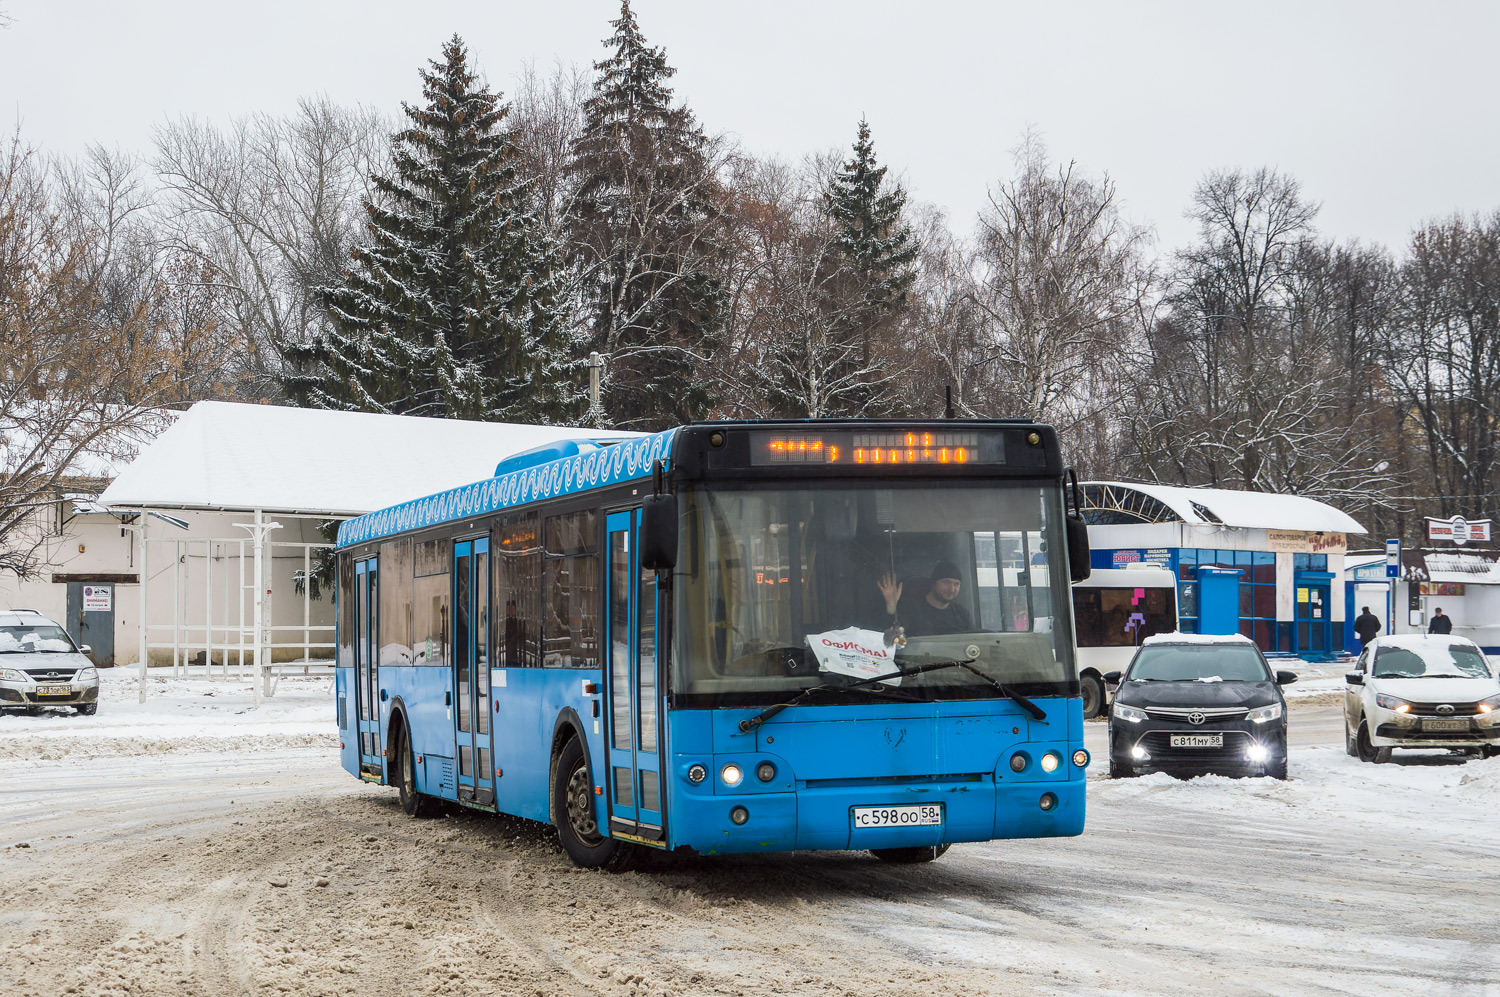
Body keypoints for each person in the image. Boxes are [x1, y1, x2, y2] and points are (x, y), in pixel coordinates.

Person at [876, 559, 974, 637]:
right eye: (946, 582)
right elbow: (893, 636)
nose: (952, 589)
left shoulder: (961, 614)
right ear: (933, 583)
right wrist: (891, 607)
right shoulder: (911, 608)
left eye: (956, 584)